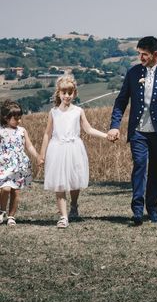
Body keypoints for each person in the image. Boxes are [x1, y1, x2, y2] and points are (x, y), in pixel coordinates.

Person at [107, 36, 157, 225]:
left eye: (144, 54)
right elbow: (121, 101)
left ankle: (153, 208)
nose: (140, 57)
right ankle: (138, 211)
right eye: (139, 53)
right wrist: (115, 126)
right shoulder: (133, 73)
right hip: (138, 131)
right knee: (140, 165)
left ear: (155, 54)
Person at [38, 75, 107, 228]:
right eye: (64, 93)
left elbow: (88, 129)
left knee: (74, 181)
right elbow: (47, 134)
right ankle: (63, 217)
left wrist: (106, 135)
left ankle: (74, 205)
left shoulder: (78, 111)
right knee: (60, 184)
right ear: (59, 93)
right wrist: (42, 155)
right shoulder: (54, 112)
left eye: (70, 93)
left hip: (74, 148)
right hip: (57, 149)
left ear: (74, 93)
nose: (67, 96)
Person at [0, 100, 39, 226]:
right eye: (15, 118)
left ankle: (11, 216)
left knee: (15, 191)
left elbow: (29, 146)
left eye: (20, 118)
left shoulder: (22, 131)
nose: (19, 121)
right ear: (6, 118)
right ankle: (1, 211)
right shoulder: (1, 131)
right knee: (5, 189)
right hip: (4, 165)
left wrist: (38, 156)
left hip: (19, 166)